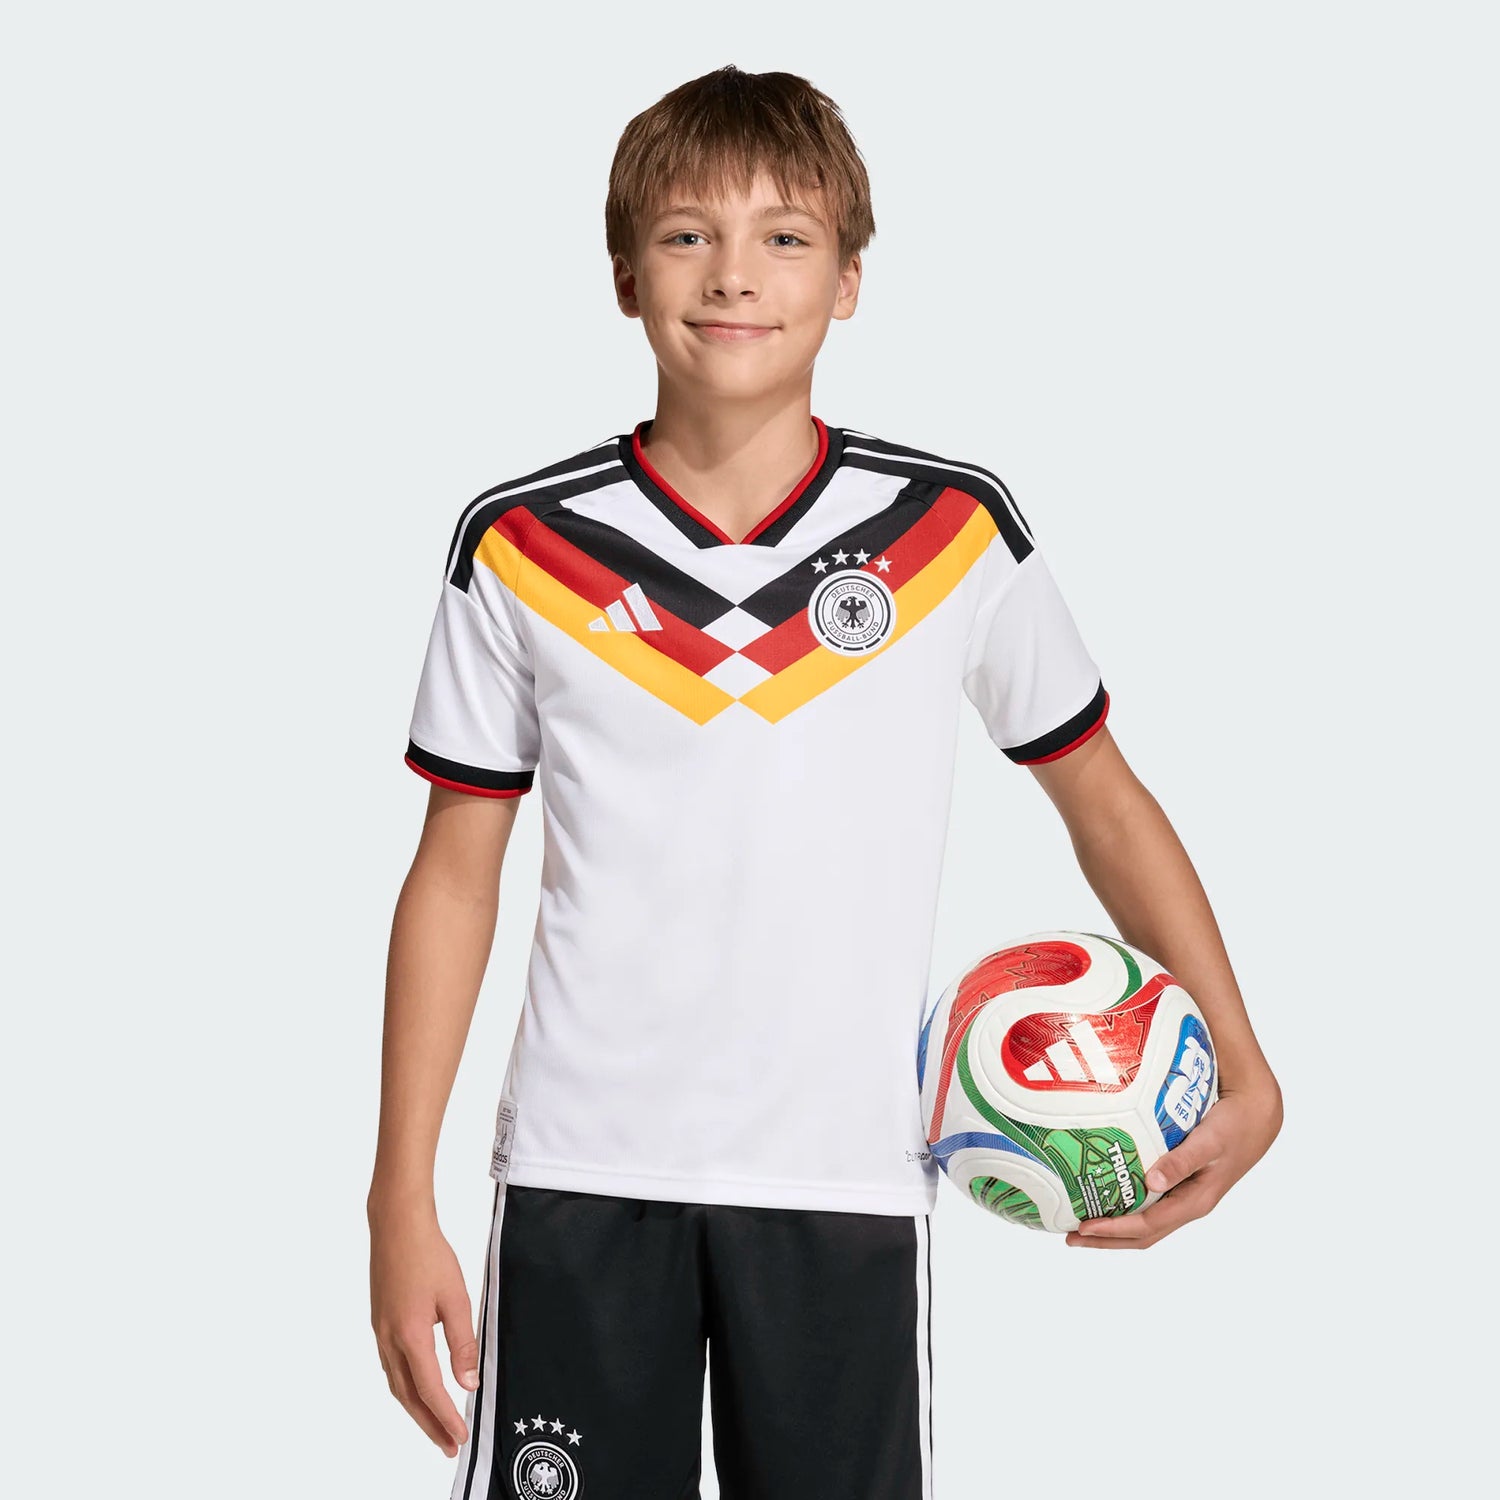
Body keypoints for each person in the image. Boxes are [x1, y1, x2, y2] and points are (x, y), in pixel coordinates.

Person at [368, 64, 1283, 1500]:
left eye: (785, 237)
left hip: (846, 1180)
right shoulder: (524, 544)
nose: (734, 274)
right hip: (580, 1175)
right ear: (624, 275)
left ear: (850, 280)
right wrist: (397, 1195)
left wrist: (1243, 1056)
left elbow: (1104, 801)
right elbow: (453, 872)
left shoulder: (951, 531)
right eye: (687, 234)